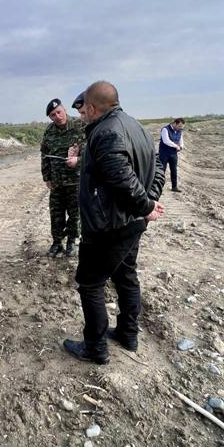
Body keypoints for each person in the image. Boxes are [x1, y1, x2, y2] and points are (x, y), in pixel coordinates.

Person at [62, 81, 165, 365]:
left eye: (84, 110)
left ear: (92, 107)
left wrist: (146, 205)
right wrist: (148, 202)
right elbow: (157, 167)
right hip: (130, 223)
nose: (82, 115)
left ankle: (95, 348)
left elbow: (122, 178)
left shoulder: (106, 131)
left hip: (108, 227)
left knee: (90, 284)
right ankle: (127, 334)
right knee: (125, 276)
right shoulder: (136, 126)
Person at [40, 98, 85, 257]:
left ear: (64, 110)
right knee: (56, 213)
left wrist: (78, 160)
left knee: (75, 213)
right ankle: (57, 242)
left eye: (59, 112)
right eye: (53, 115)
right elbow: (45, 155)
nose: (58, 116)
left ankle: (72, 241)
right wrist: (47, 177)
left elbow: (92, 152)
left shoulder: (80, 126)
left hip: (76, 180)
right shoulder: (49, 131)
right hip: (57, 181)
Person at [158, 118, 185, 192]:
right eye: (179, 126)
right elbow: (166, 141)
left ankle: (174, 187)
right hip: (164, 153)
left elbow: (181, 139)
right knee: (162, 170)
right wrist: (176, 146)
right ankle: (159, 188)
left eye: (181, 126)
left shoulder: (179, 130)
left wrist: (181, 146)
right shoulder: (165, 129)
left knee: (174, 170)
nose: (180, 128)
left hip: (173, 153)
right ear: (175, 123)